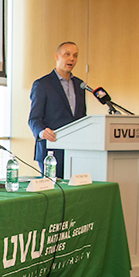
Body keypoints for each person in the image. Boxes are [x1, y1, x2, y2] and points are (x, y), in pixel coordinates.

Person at [28, 41, 86, 177]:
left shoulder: (80, 85)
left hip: (76, 151)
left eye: (75, 56)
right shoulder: (42, 84)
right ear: (57, 56)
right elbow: (34, 118)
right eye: (67, 54)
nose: (72, 58)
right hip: (52, 150)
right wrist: (41, 132)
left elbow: (82, 117)